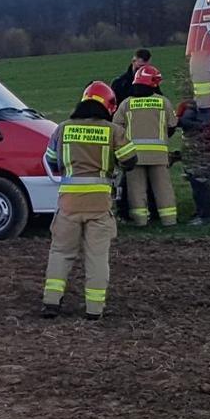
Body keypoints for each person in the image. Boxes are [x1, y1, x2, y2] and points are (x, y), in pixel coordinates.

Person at [40, 81, 124, 320]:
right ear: (108, 106)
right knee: (97, 256)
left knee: (60, 252)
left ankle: (51, 302)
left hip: (69, 203)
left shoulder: (63, 129)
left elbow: (51, 161)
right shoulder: (112, 130)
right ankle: (94, 309)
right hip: (99, 204)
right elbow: (130, 159)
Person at [119, 66, 178, 227]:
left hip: (133, 156)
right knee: (163, 189)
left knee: (136, 190)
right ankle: (169, 220)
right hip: (158, 156)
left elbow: (117, 129)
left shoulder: (126, 104)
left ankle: (140, 221)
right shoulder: (163, 102)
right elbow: (172, 125)